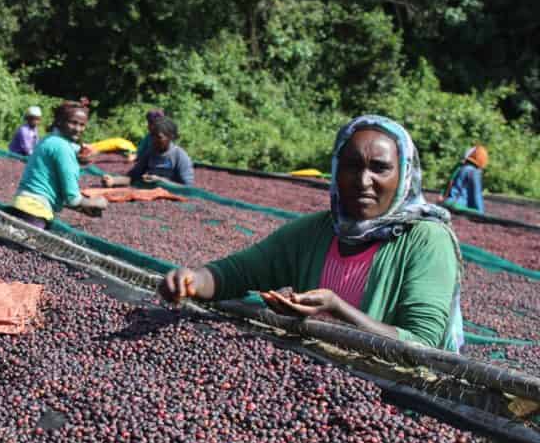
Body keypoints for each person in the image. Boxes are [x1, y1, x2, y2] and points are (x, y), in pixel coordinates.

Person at [160, 115, 463, 352]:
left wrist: (338, 309)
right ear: (336, 170)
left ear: (404, 175)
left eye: (380, 168)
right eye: (351, 166)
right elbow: (237, 272)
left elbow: (423, 344)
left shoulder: (426, 240)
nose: (363, 180)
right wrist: (193, 280)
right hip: (317, 378)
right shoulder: (315, 232)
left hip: (400, 396)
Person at [9, 100, 108, 228]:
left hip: (20, 203)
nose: (78, 129)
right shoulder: (63, 148)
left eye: (82, 125)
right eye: (73, 123)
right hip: (35, 213)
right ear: (60, 121)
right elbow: (73, 199)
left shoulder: (48, 139)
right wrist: (98, 202)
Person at [102, 116, 194, 187]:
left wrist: (161, 181)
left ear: (170, 137)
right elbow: (133, 177)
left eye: (159, 137)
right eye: (152, 136)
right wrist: (114, 181)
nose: (154, 140)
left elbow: (188, 187)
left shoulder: (179, 156)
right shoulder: (150, 153)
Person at [443, 145, 487, 214]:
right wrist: (481, 213)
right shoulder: (474, 172)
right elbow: (477, 195)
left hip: (446, 202)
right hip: (457, 206)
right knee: (478, 212)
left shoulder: (459, 167)